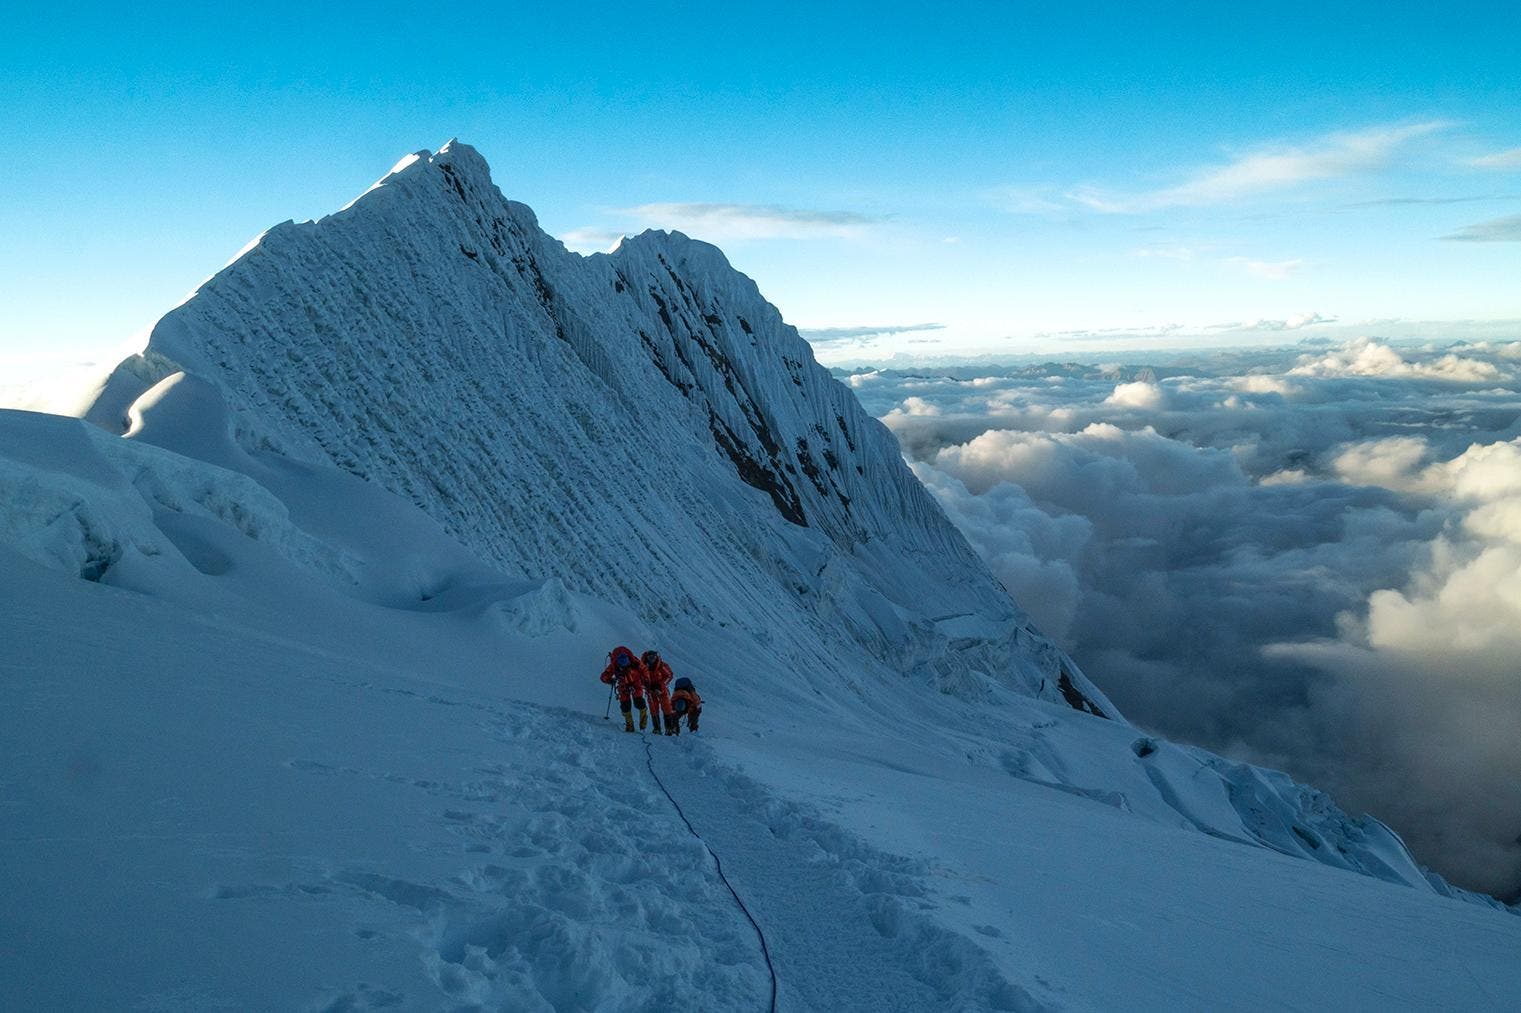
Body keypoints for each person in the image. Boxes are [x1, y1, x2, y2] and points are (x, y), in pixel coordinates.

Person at [600, 646, 649, 733]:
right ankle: (630, 726)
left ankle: (643, 725)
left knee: (639, 703)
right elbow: (604, 676)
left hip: (636, 683)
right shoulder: (614, 666)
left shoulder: (635, 662)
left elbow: (644, 670)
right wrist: (609, 680)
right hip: (623, 686)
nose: (624, 667)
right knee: (625, 706)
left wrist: (646, 680)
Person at [641, 650, 675, 735]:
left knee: (667, 707)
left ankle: (669, 728)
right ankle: (657, 728)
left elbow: (669, 675)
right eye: (650, 657)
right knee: (653, 709)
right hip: (650, 691)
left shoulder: (662, 665)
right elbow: (639, 678)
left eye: (653, 657)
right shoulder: (642, 666)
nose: (652, 659)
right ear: (647, 657)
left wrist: (660, 686)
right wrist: (645, 685)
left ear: (656, 657)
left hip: (661, 690)